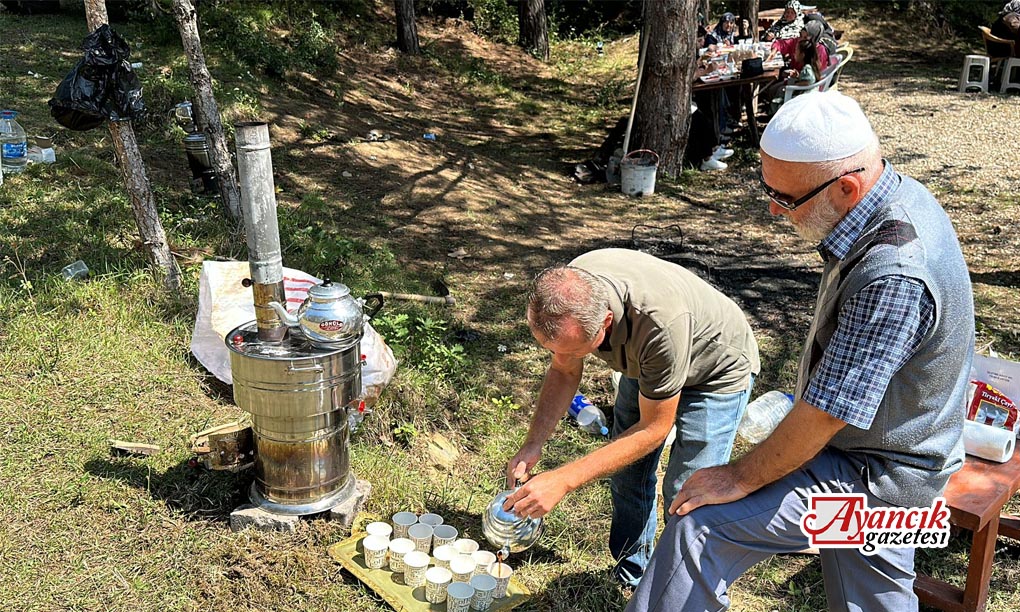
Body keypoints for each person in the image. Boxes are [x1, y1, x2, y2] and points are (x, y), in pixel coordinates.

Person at [626, 91, 975, 611]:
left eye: (786, 199)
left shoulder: (895, 272)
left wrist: (738, 475)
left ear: (848, 186)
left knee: (699, 528)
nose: (772, 208)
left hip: (878, 486)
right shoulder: (890, 197)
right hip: (897, 469)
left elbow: (824, 417)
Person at [504, 248, 760, 588]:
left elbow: (654, 429)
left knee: (689, 492)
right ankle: (632, 574)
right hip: (649, 364)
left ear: (605, 322)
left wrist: (564, 479)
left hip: (716, 370)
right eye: (554, 348)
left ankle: (682, 593)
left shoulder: (658, 325)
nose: (563, 357)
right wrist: (533, 444)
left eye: (575, 349)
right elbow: (564, 371)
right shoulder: (570, 293)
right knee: (627, 476)